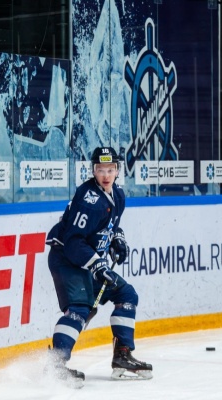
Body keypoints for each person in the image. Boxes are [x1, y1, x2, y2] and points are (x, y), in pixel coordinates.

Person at [44, 146, 152, 386]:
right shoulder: (88, 199)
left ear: (117, 171)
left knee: (126, 294)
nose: (105, 175)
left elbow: (109, 226)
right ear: (93, 171)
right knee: (79, 309)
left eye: (110, 169)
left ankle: (122, 355)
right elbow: (73, 242)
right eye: (100, 169)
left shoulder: (118, 195)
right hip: (67, 259)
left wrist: (117, 239)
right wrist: (97, 265)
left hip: (89, 262)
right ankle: (55, 365)